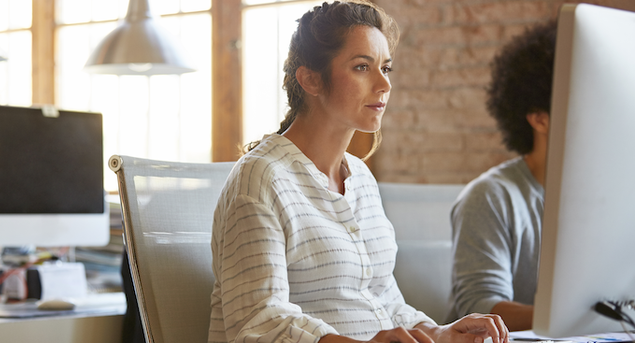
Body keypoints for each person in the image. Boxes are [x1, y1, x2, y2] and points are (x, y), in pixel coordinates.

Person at [209, 2, 510, 343]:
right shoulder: (262, 179)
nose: (384, 84)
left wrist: (438, 333)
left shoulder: (361, 178)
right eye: (362, 67)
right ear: (310, 79)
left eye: (386, 68)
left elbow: (382, 299)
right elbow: (256, 322)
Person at [447, 20, 557, 332]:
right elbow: (480, 309)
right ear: (539, 118)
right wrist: (576, 320)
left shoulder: (613, 198)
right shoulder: (490, 197)